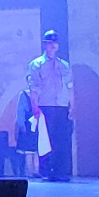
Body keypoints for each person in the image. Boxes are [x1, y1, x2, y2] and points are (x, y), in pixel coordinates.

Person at [27, 30, 74, 181]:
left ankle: (61, 171)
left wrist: (72, 105)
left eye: (55, 43)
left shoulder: (64, 65)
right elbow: (33, 87)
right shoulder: (36, 64)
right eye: (49, 43)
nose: (53, 45)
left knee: (61, 140)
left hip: (61, 106)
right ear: (45, 45)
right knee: (46, 141)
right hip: (45, 106)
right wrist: (35, 106)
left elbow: (70, 86)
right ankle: (46, 171)